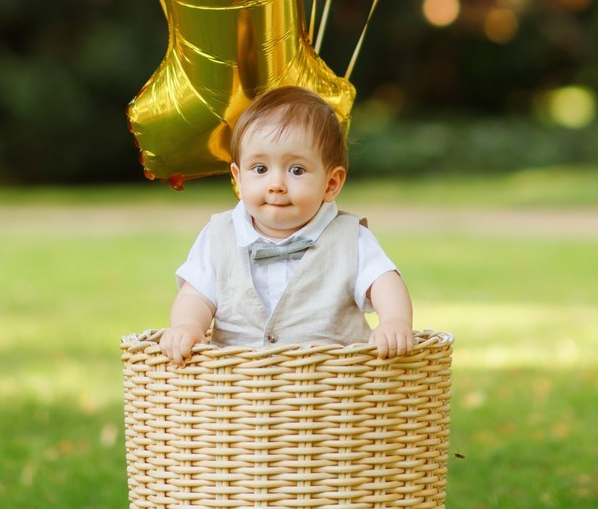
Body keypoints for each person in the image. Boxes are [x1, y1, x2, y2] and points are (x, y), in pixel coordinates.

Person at [159, 86, 415, 363]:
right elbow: (197, 295)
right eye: (260, 169)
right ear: (238, 177)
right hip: (236, 381)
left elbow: (384, 281)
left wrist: (394, 321)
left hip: (332, 379)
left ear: (331, 184)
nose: (276, 185)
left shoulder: (350, 238)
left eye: (296, 170)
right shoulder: (219, 235)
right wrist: (188, 326)